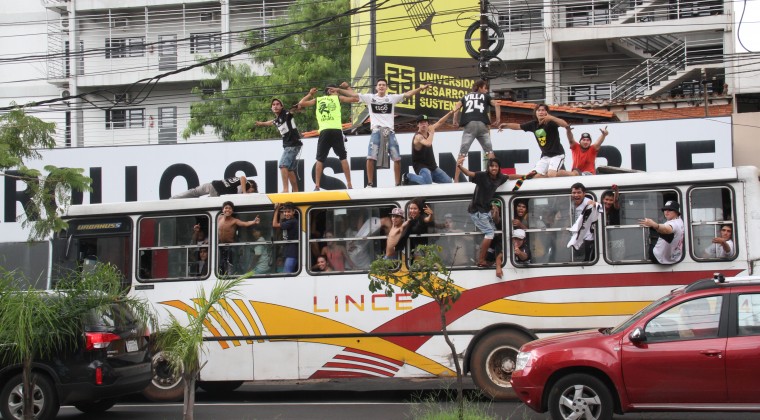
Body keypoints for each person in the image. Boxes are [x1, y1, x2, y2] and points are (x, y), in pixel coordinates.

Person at [336, 79, 431, 187]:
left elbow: (407, 94)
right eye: (379, 85)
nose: (381, 86)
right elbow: (353, 94)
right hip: (376, 130)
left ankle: (397, 184)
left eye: (383, 85)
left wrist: (420, 88)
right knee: (371, 157)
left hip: (389, 131)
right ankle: (370, 183)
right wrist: (339, 89)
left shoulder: (391, 98)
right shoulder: (370, 98)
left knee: (397, 158)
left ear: (386, 88)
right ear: (376, 87)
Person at [298, 84, 355, 191]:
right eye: (335, 90)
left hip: (324, 131)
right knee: (343, 157)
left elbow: (302, 103)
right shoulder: (338, 98)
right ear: (331, 90)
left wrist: (310, 94)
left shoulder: (318, 99)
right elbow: (355, 98)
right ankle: (349, 184)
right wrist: (347, 88)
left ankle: (317, 186)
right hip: (336, 130)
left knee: (320, 158)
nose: (337, 92)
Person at [457, 156, 509, 267]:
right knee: (489, 233)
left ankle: (492, 257)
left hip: (485, 210)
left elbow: (511, 176)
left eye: (496, 166)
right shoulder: (482, 176)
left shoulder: (500, 178)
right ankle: (481, 260)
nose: (494, 168)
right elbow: (469, 174)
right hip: (477, 210)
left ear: (499, 168)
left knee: (494, 233)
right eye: (491, 166)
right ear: (488, 167)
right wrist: (460, 166)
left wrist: (525, 176)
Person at [498, 104, 574, 179]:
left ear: (546, 112)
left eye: (543, 110)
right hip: (545, 156)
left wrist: (551, 118)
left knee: (551, 174)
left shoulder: (551, 122)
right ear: (536, 113)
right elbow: (518, 126)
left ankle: (573, 174)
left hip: (557, 155)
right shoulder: (533, 124)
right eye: (539, 110)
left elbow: (564, 124)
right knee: (534, 176)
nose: (541, 112)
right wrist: (506, 125)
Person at [452, 80, 501, 182]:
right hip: (483, 125)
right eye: (485, 88)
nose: (486, 90)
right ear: (479, 87)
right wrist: (498, 119)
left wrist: (455, 120)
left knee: (462, 153)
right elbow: (496, 104)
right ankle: (496, 176)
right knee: (489, 151)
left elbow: (456, 107)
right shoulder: (486, 97)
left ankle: (456, 179)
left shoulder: (465, 97)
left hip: (469, 125)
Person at [255, 98, 303, 193]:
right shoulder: (277, 119)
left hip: (292, 145)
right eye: (273, 104)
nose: (275, 106)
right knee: (289, 169)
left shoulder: (286, 114)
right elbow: (271, 122)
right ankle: (296, 191)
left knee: (283, 165)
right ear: (271, 107)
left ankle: (285, 189)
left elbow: (292, 111)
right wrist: (261, 123)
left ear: (282, 106)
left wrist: (297, 107)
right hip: (293, 145)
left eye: (278, 104)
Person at [402, 111, 455, 185]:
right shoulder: (418, 136)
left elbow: (440, 122)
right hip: (421, 167)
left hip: (432, 166)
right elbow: (428, 144)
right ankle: (407, 176)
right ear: (418, 125)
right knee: (428, 183)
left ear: (428, 124)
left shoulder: (429, 130)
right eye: (421, 123)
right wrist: (432, 133)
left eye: (425, 122)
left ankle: (427, 179)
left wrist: (450, 113)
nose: (423, 124)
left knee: (449, 182)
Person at [217, 201, 261, 274]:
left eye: (230, 208)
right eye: (226, 208)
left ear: (232, 211)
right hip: (221, 246)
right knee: (221, 264)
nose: (227, 210)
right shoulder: (218, 218)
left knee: (231, 266)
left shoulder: (234, 221)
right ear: (222, 210)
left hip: (231, 247)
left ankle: (231, 278)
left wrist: (254, 222)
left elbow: (245, 223)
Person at [639, 200, 684, 264]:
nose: (666, 212)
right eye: (665, 210)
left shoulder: (674, 224)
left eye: (670, 210)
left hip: (659, 257)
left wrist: (654, 225)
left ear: (676, 212)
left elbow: (667, 229)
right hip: (674, 257)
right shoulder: (680, 221)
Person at [569, 182, 598, 261]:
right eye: (574, 193)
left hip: (587, 238)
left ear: (584, 194)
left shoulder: (587, 202)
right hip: (575, 236)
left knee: (586, 261)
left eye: (579, 192)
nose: (576, 195)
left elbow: (600, 207)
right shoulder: (570, 203)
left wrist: (594, 204)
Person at [171, 176, 256, 199]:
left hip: (212, 184)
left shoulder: (236, 182)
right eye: (252, 191)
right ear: (251, 185)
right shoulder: (248, 183)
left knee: (194, 192)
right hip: (217, 191)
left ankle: (174, 198)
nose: (250, 192)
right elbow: (243, 177)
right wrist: (245, 192)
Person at [272, 202, 299, 273]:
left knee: (287, 274)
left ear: (294, 212)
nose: (286, 214)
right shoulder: (289, 221)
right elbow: (281, 219)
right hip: (289, 252)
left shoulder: (292, 222)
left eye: (289, 212)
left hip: (292, 253)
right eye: (285, 212)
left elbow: (274, 224)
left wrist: (276, 210)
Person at [486, 200, 505, 278]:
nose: (493, 210)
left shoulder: (502, 219)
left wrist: (496, 212)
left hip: (500, 245)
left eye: (496, 208)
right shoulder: (485, 220)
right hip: (491, 244)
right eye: (491, 208)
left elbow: (496, 220)